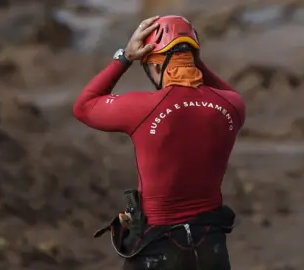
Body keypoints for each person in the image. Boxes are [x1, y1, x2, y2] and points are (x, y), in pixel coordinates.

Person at [73, 15, 245, 270]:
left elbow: (84, 106)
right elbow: (228, 93)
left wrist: (125, 57)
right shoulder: (231, 106)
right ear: (193, 60)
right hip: (211, 247)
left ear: (154, 66)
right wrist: (192, 57)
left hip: (157, 248)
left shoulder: (143, 108)